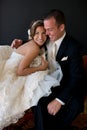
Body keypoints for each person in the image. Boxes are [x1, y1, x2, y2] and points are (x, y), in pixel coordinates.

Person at [11, 9, 84, 130]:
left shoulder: (73, 47)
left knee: (74, 105)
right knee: (38, 101)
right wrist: (21, 43)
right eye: (45, 30)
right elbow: (36, 41)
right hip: (50, 84)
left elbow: (76, 78)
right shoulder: (47, 38)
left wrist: (59, 100)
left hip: (68, 88)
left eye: (49, 29)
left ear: (61, 27)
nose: (46, 33)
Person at [0, 19, 63, 130]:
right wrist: (41, 67)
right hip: (13, 73)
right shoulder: (34, 48)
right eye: (37, 33)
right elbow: (20, 71)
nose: (40, 37)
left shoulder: (33, 44)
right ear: (32, 34)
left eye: (43, 33)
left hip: (9, 68)